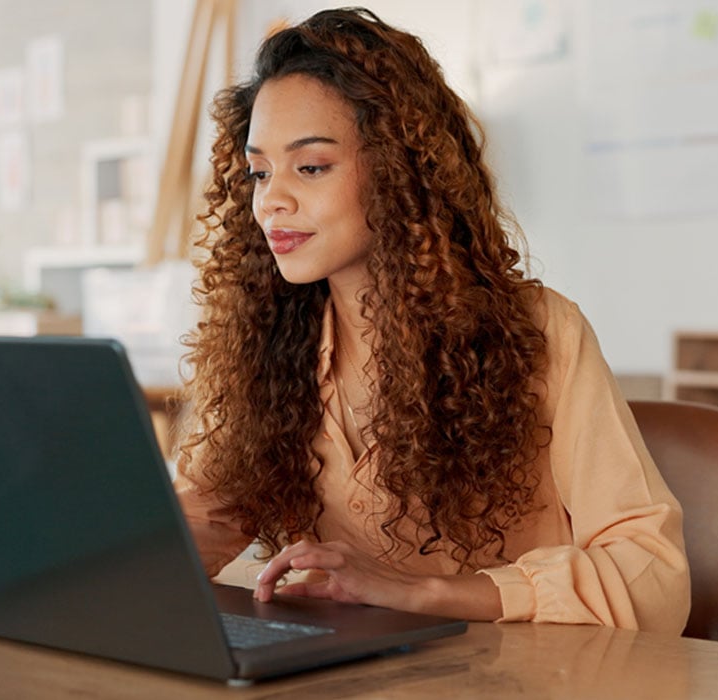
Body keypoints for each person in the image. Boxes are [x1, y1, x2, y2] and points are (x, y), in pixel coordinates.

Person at [172, 7, 690, 634]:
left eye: (310, 167)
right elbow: (204, 521)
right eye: (259, 171)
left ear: (398, 169)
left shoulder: (541, 331)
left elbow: (654, 575)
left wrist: (425, 594)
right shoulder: (267, 348)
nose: (271, 199)